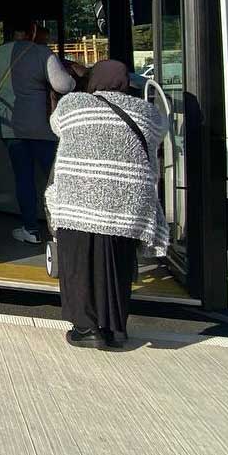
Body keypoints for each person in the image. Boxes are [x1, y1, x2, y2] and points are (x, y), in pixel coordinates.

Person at [47, 59, 170, 350]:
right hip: (127, 204)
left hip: (80, 200)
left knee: (79, 262)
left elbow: (56, 126)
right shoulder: (147, 113)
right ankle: (115, 329)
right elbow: (159, 136)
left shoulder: (74, 104)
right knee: (116, 263)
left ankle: (86, 328)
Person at [0, 18, 77, 243]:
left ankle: (30, 229)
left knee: (23, 179)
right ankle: (66, 229)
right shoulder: (42, 53)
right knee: (55, 178)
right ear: (32, 31)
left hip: (10, 129)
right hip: (43, 128)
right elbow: (63, 85)